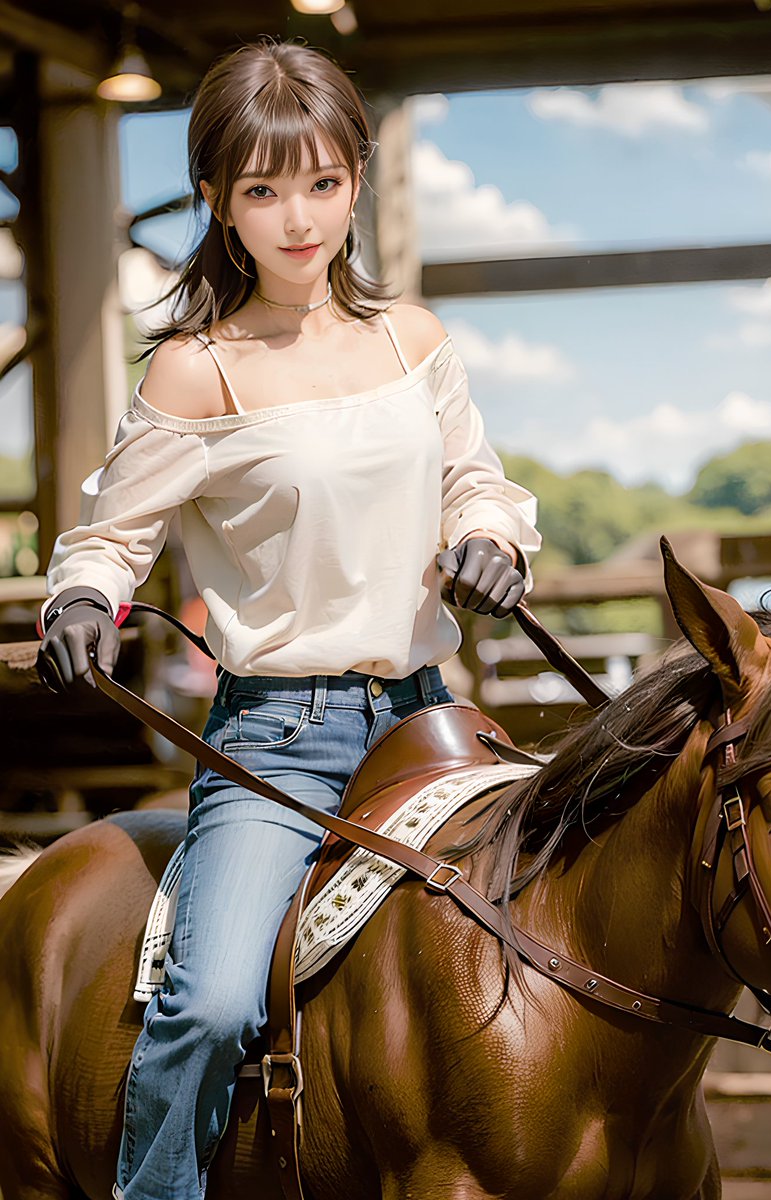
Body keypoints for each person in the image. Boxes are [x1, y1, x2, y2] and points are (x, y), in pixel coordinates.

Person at [36, 38, 540, 1200]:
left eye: (319, 182)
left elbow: (479, 480)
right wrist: (81, 595)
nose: (297, 218)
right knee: (211, 1000)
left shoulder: (411, 340)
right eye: (262, 190)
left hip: (436, 727)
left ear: (356, 177)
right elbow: (112, 537)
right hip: (281, 741)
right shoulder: (193, 372)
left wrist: (489, 540)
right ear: (216, 200)